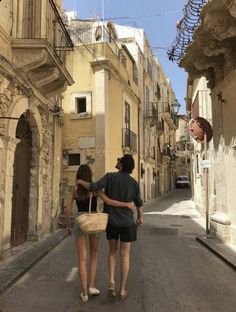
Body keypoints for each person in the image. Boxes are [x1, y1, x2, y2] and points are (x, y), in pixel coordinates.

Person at [77, 154, 143, 301]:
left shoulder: (110, 177)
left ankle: (111, 280)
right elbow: (139, 203)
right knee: (125, 255)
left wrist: (80, 181)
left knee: (112, 252)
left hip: (111, 222)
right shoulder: (134, 183)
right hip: (127, 223)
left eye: (118, 160)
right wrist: (140, 218)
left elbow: (93, 187)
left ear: (121, 164)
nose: (116, 161)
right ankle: (123, 288)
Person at [65, 164, 135, 303]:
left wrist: (68, 225)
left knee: (82, 259)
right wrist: (126, 204)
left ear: (78, 175)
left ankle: (84, 293)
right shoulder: (95, 190)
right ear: (89, 176)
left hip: (80, 221)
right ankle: (91, 286)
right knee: (94, 254)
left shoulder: (75, 189)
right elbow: (108, 201)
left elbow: (67, 209)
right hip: (95, 221)